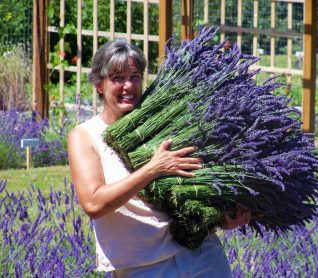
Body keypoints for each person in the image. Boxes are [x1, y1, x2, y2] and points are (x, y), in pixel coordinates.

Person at [68, 39, 251, 277]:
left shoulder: (166, 121)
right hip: (142, 267)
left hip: (201, 256)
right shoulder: (85, 136)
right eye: (117, 78)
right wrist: (152, 169)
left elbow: (196, 184)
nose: (128, 86)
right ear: (99, 85)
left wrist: (223, 216)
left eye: (134, 76)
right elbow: (93, 203)